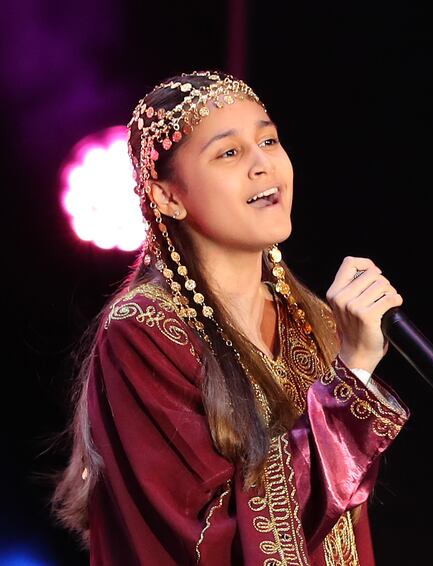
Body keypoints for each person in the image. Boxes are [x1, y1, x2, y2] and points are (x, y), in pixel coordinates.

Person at [49, 69, 411, 565]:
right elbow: (211, 536)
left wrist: (350, 373)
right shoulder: (144, 332)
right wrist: (352, 380)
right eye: (230, 152)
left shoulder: (310, 321)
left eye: (269, 140)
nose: (264, 164)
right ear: (166, 196)